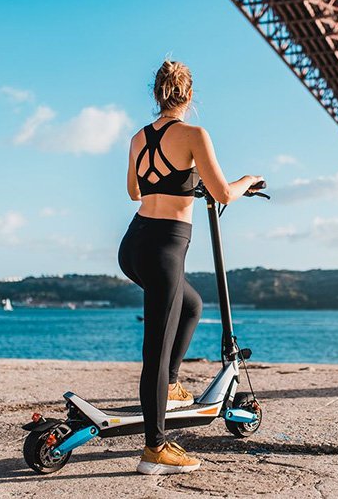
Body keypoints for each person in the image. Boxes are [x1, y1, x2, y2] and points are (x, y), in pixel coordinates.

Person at [118, 59, 263, 475]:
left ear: (157, 94)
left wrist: (179, 179)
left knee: (193, 305)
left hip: (133, 244)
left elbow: (134, 190)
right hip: (164, 248)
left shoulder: (137, 138)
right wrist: (247, 180)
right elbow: (224, 193)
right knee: (155, 352)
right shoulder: (195, 135)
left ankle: (173, 386)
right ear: (190, 95)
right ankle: (155, 449)